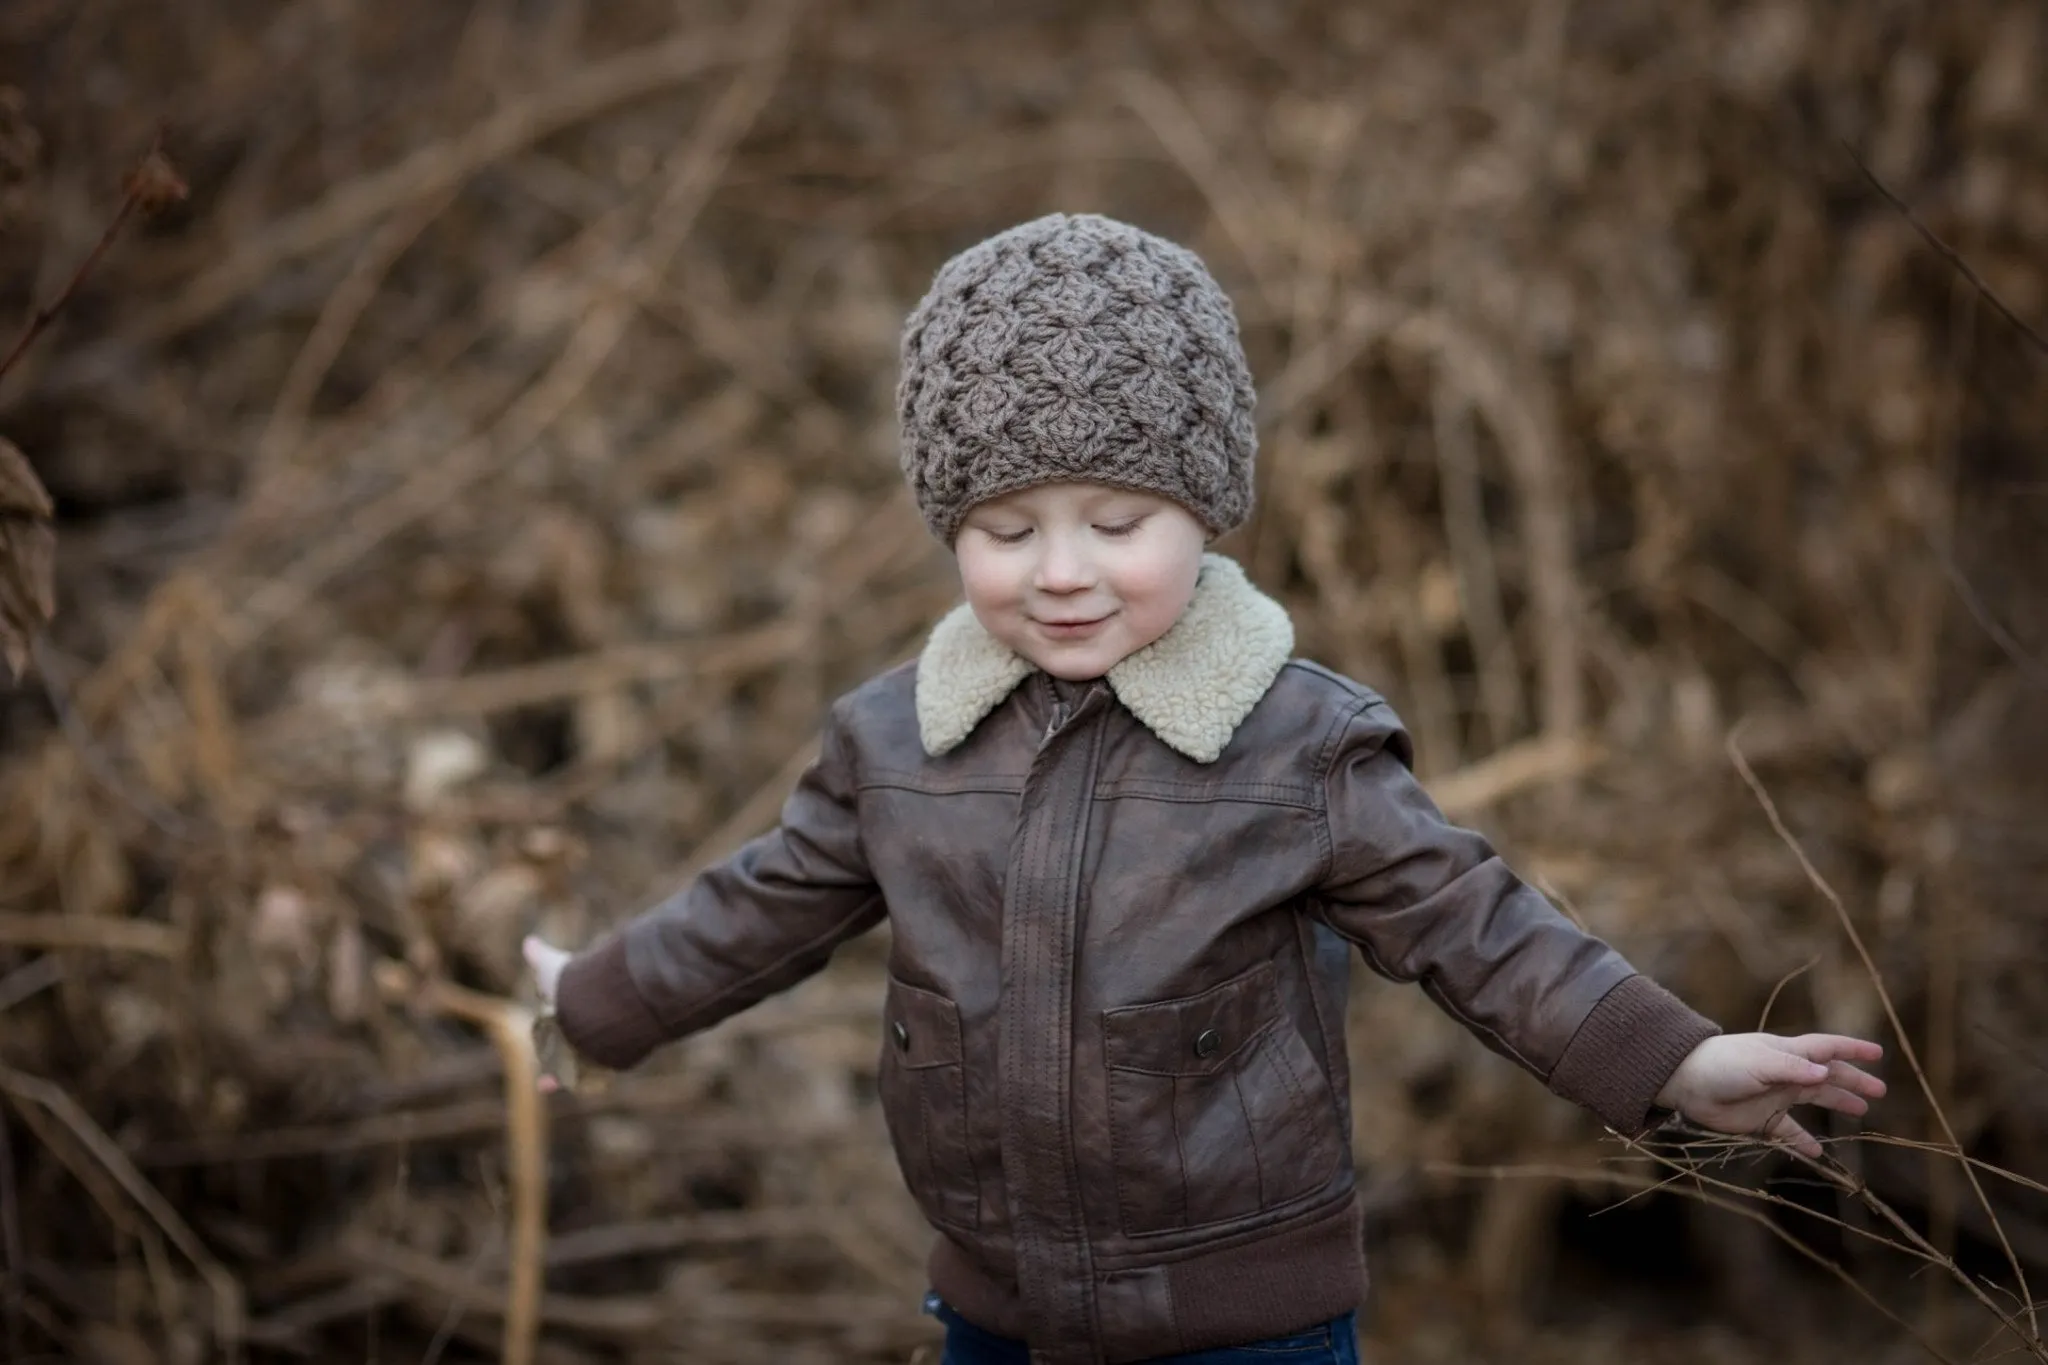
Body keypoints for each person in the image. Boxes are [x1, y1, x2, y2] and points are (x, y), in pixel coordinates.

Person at [522, 213, 1886, 1365]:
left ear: (1206, 510)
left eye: (1117, 523)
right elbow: (756, 909)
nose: (1062, 571)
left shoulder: (1294, 744)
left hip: (1244, 1324)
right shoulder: (898, 744)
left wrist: (1675, 1061)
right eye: (1006, 530)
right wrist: (588, 1004)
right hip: (997, 1312)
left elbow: (1480, 927)